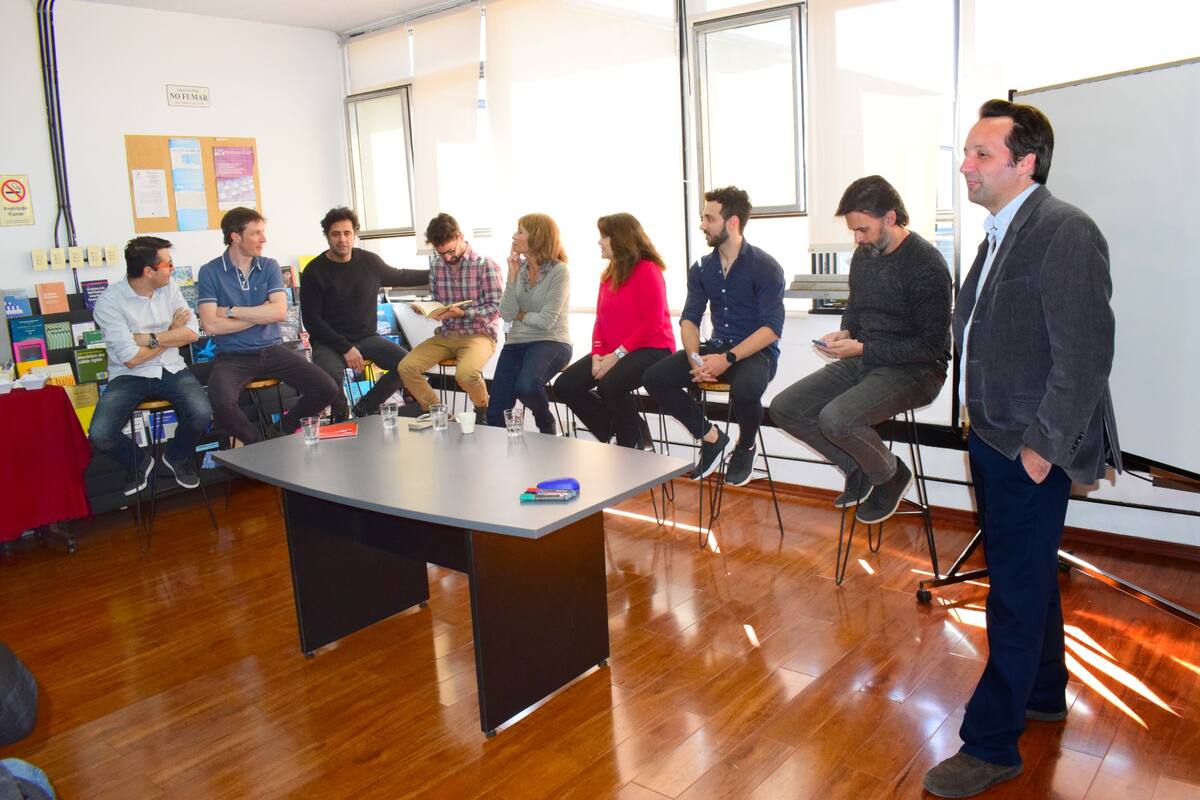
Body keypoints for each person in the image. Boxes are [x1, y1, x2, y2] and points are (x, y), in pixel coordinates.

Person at [923, 100, 1121, 798]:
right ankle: (1042, 692)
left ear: (1025, 162)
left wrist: (1042, 450)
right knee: (1027, 573)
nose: (966, 165)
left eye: (981, 153)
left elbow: (1086, 355)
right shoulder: (1000, 233)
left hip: (1027, 446)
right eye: (966, 153)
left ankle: (991, 744)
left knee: (1011, 592)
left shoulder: (1064, 231)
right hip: (993, 435)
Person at [769, 176, 951, 524]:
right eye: (854, 231)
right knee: (785, 409)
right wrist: (846, 332)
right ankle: (860, 467)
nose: (857, 239)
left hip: (917, 370)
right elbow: (855, 307)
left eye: (863, 229)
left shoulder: (926, 264)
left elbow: (929, 346)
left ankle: (890, 475)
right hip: (866, 358)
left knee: (837, 419)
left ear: (890, 218)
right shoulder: (865, 255)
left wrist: (863, 348)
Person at [642, 186, 786, 486]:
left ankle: (746, 446)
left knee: (745, 390)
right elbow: (689, 319)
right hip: (717, 348)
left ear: (732, 222)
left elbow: (771, 329)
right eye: (702, 218)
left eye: (709, 218)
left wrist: (727, 359)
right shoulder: (701, 268)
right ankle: (711, 437)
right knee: (655, 378)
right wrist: (695, 357)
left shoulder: (765, 267)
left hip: (755, 354)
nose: (702, 225)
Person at [197, 207, 340, 445]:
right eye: (256, 233)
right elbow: (211, 325)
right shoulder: (210, 271)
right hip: (233, 355)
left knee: (326, 388)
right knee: (220, 402)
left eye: (263, 232)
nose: (263, 239)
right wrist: (261, 314)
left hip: (273, 350)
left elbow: (279, 312)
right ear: (235, 236)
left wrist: (231, 311)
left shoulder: (270, 266)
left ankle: (281, 431)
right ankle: (259, 446)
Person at [89, 236, 212, 493]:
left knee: (201, 415)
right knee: (100, 434)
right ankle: (138, 461)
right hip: (129, 375)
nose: (173, 268)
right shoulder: (109, 302)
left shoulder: (170, 287)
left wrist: (150, 338)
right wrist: (171, 333)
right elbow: (131, 359)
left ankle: (175, 456)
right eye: (168, 264)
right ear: (148, 271)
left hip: (172, 368)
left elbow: (191, 333)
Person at [554, 213, 675, 448]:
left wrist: (617, 355)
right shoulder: (608, 275)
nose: (599, 242)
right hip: (613, 351)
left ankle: (631, 441)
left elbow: (652, 322)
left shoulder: (649, 270)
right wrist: (598, 354)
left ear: (620, 239)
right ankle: (623, 431)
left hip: (652, 348)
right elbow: (600, 320)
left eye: (604, 237)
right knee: (565, 386)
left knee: (609, 385)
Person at [300, 207, 429, 418]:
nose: (342, 239)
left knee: (408, 366)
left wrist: (438, 272)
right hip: (329, 343)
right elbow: (311, 320)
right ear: (327, 236)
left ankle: (365, 408)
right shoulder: (314, 271)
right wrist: (345, 347)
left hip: (367, 338)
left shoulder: (369, 262)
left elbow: (402, 276)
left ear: (355, 234)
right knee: (329, 378)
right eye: (336, 234)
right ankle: (341, 419)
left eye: (347, 233)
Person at [397, 213, 504, 423]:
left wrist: (464, 313)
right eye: (440, 253)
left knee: (465, 375)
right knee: (406, 367)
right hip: (446, 334)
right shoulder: (437, 266)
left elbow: (497, 308)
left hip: (479, 334)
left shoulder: (485, 264)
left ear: (460, 237)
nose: (446, 257)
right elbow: (438, 301)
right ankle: (440, 414)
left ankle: (483, 409)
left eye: (450, 251)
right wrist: (428, 309)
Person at [487, 214, 573, 434]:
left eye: (520, 232)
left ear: (537, 237)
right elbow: (506, 313)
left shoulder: (559, 271)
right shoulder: (519, 269)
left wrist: (521, 315)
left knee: (526, 387)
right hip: (516, 342)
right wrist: (512, 275)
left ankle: (546, 424)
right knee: (495, 412)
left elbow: (546, 321)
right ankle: (502, 453)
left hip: (552, 341)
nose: (514, 236)